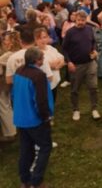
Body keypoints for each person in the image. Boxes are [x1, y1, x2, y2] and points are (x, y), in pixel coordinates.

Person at [12, 47, 54, 188]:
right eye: (42, 58)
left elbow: (13, 95)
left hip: (20, 118)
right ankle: (36, 181)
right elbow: (41, 100)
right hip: (35, 120)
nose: (43, 60)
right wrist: (46, 117)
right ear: (37, 60)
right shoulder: (39, 76)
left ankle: (25, 179)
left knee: (25, 148)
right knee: (45, 146)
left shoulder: (19, 71)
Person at [62, 10, 100, 121]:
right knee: (75, 89)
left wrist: (94, 50)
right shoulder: (70, 32)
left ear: (86, 20)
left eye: (83, 20)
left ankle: (94, 109)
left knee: (93, 87)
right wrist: (68, 62)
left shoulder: (89, 29)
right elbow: (64, 48)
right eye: (79, 20)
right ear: (75, 19)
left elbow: (93, 42)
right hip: (76, 65)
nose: (81, 22)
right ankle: (76, 110)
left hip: (90, 63)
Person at [0, 31, 20, 142]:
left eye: (6, 40)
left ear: (11, 42)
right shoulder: (19, 52)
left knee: (4, 107)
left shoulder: (8, 55)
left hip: (3, 84)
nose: (4, 41)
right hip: (12, 84)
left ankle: (10, 132)